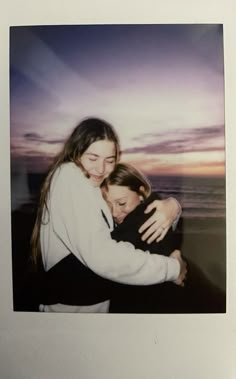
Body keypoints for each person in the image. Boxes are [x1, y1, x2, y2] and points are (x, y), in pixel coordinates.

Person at [31, 117, 187, 313]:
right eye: (92, 158)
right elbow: (103, 256)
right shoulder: (69, 175)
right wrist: (172, 269)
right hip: (70, 311)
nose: (101, 169)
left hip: (88, 307)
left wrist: (173, 206)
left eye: (110, 160)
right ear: (76, 152)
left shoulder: (91, 186)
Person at [101, 163, 225, 313]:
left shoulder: (137, 224)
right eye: (107, 204)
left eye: (122, 203)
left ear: (141, 193)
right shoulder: (155, 209)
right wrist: (174, 205)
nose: (114, 212)